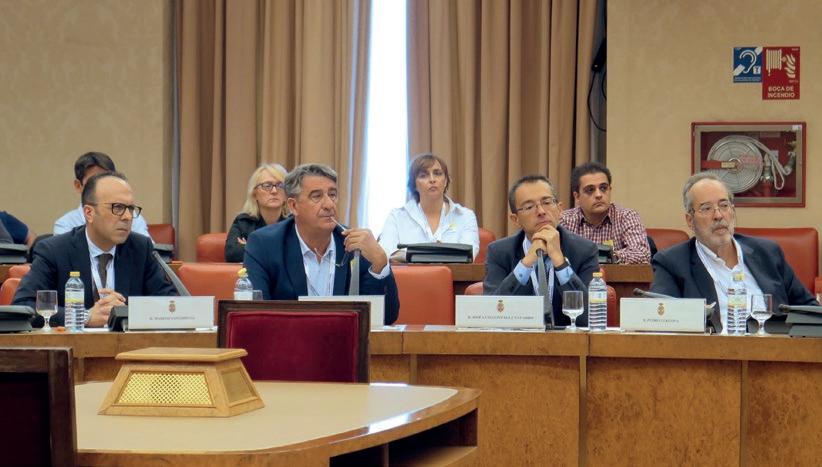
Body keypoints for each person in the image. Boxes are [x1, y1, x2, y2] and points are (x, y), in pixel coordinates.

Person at [650, 172, 818, 333]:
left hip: (777, 350)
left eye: (724, 205)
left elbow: (810, 311)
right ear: (690, 220)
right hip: (712, 351)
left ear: (732, 210)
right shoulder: (672, 263)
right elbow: (659, 323)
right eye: (706, 208)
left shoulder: (768, 253)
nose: (718, 215)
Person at [14, 172, 176, 328]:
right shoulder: (54, 251)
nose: (127, 216)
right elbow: (25, 306)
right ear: (89, 213)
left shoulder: (140, 248)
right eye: (117, 207)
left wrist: (126, 312)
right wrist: (83, 316)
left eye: (131, 208)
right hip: (74, 345)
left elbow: (170, 304)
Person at [243, 163, 400, 324]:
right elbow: (255, 316)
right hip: (288, 337)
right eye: (316, 196)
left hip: (342, 338)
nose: (329, 205)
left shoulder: (356, 245)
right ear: (293, 206)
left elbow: (385, 318)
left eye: (332, 195)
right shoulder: (264, 244)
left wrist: (380, 262)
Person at [484, 174, 599, 326]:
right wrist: (526, 264)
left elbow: (591, 317)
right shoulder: (499, 252)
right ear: (515, 219)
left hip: (567, 339)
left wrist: (560, 262)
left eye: (547, 202)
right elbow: (491, 313)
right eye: (529, 207)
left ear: (559, 209)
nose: (541, 211)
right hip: (517, 339)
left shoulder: (585, 250)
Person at [379, 153, 479, 261]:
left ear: (445, 181)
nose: (432, 179)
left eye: (437, 174)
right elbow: (387, 254)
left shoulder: (465, 216)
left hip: (453, 273)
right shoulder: (396, 217)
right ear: (414, 184)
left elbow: (468, 255)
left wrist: (410, 254)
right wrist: (442, 253)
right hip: (409, 273)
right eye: (423, 175)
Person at [560, 161, 650, 264]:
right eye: (590, 190)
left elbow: (642, 254)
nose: (598, 195)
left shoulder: (627, 216)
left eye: (603, 188)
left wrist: (609, 256)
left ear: (610, 190)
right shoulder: (565, 220)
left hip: (616, 275)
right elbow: (556, 256)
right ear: (577, 196)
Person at [54, 152, 152, 238]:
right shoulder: (65, 224)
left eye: (107, 180)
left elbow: (148, 250)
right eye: (93, 181)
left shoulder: (130, 216)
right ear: (78, 186)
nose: (103, 186)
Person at [225, 163, 289, 263]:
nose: (274, 191)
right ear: (254, 194)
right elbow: (233, 253)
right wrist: (279, 249)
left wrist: (251, 247)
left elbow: (298, 255)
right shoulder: (244, 222)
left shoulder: (295, 223)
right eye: (267, 186)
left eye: (280, 185)